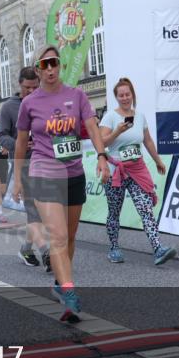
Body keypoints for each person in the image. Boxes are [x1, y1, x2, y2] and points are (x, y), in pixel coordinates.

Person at [12, 46, 110, 323]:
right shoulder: (29, 103)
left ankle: (59, 281)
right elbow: (21, 142)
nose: (51, 69)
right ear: (38, 69)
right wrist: (18, 179)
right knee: (56, 235)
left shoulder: (77, 95)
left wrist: (101, 156)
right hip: (43, 171)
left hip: (74, 172)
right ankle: (69, 292)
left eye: (54, 63)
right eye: (45, 64)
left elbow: (91, 127)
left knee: (68, 237)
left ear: (60, 66)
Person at [98, 78, 174, 265]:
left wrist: (157, 160)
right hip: (116, 170)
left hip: (137, 170)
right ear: (116, 97)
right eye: (121, 95)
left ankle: (158, 248)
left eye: (127, 94)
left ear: (132, 95)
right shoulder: (110, 117)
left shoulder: (139, 116)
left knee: (145, 208)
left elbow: (147, 141)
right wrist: (117, 131)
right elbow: (101, 142)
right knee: (114, 212)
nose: (125, 98)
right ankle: (114, 247)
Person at [0, 66, 50, 270]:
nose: (31, 91)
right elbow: (1, 136)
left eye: (35, 87)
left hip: (45, 161)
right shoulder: (9, 107)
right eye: (27, 87)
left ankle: (26, 248)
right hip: (24, 163)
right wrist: (19, 144)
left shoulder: (44, 100)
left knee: (42, 212)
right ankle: (46, 253)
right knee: (33, 211)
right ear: (20, 84)